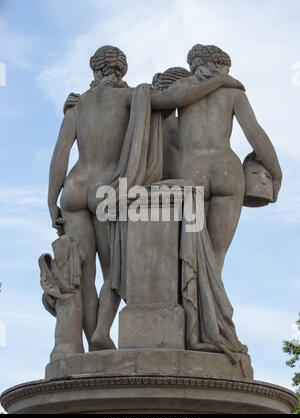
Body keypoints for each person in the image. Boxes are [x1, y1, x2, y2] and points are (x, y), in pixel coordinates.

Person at [48, 45, 245, 351]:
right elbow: (174, 99)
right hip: (106, 191)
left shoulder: (77, 106)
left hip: (74, 187)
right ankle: (102, 330)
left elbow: (60, 154)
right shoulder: (132, 97)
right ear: (121, 69)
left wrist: (52, 201)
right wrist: (220, 81)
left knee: (81, 276)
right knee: (114, 271)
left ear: (95, 71)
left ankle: (93, 346)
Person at [176, 44, 282, 276]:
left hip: (191, 173)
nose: (227, 74)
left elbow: (155, 106)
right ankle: (212, 309)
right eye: (225, 68)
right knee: (217, 255)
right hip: (227, 169)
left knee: (189, 252)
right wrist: (277, 173)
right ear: (215, 64)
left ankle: (191, 309)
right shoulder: (233, 91)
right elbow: (255, 133)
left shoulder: (181, 90)